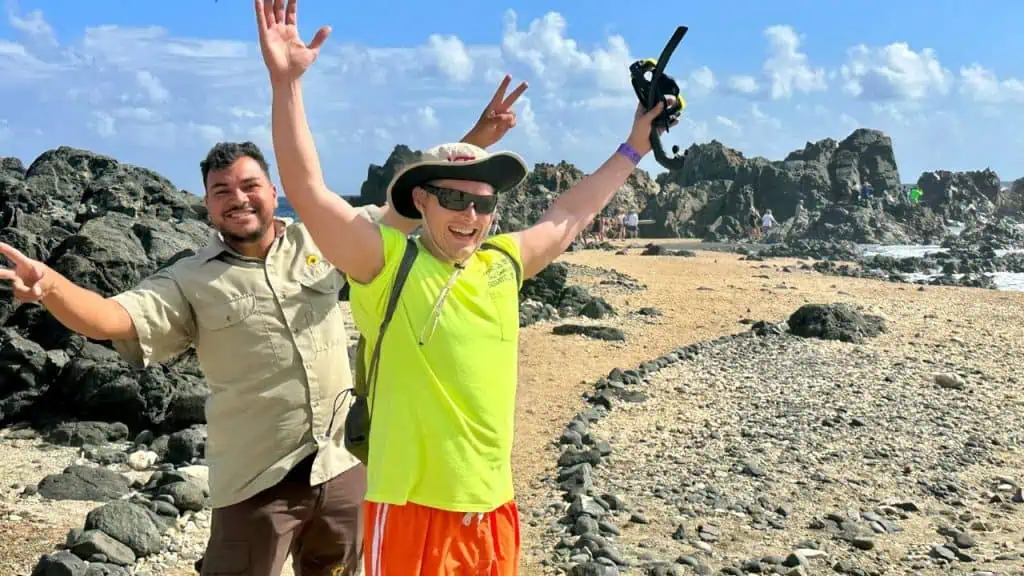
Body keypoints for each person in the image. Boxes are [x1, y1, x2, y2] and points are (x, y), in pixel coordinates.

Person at [0, 81, 526, 576]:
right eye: (221, 190)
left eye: (250, 184)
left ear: (274, 191)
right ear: (207, 204)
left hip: (342, 464)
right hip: (256, 480)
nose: (238, 197)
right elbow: (113, 317)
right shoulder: (189, 279)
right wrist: (49, 287)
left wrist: (474, 142)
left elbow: (410, 207)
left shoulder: (324, 241)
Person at [253, 0, 672, 572]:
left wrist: (634, 148)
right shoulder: (387, 261)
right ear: (421, 200)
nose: (470, 215)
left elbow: (569, 215)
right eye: (453, 198)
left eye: (483, 202)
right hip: (407, 509)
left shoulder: (502, 264)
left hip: (492, 508)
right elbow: (306, 190)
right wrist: (287, 84)